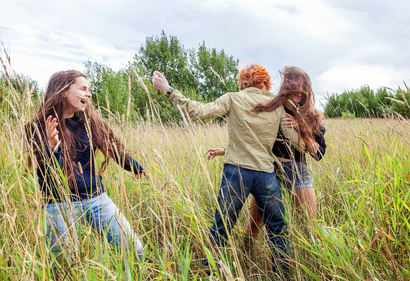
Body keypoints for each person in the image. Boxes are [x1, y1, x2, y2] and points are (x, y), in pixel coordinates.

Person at [152, 64, 305, 274]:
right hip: (265, 175)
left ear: (243, 82)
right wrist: (301, 128)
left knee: (222, 227)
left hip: (236, 173)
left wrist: (168, 90)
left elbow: (198, 111)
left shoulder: (233, 98)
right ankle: (283, 276)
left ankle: (210, 274)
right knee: (278, 229)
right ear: (265, 82)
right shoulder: (276, 106)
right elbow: (298, 144)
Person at [26, 70, 145, 263]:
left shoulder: (90, 123)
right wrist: (53, 146)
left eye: (89, 90)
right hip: (57, 203)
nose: (88, 94)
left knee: (134, 249)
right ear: (64, 91)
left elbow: (112, 147)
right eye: (83, 89)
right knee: (66, 263)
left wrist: (134, 166)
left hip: (96, 198)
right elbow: (46, 174)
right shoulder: (37, 127)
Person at [207, 66, 326, 241]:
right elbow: (256, 138)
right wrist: (226, 150)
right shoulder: (271, 107)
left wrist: (300, 128)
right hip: (268, 171)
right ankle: (247, 255)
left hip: (297, 172)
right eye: (294, 93)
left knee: (311, 227)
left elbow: (318, 154)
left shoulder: (311, 116)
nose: (298, 97)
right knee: (253, 228)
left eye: (302, 94)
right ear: (285, 90)